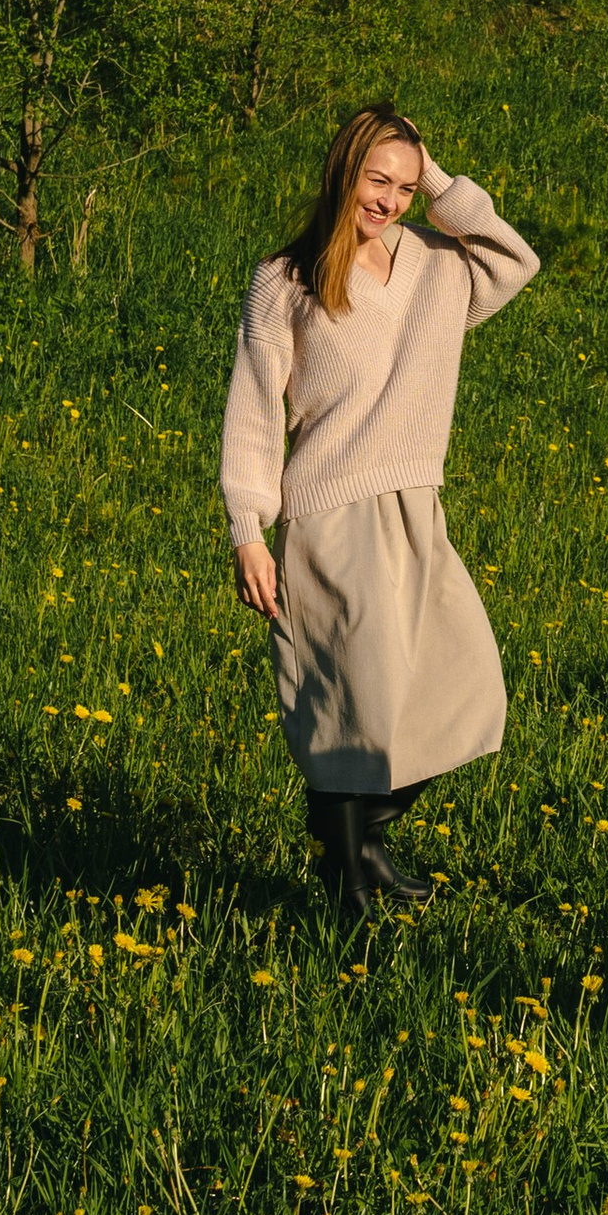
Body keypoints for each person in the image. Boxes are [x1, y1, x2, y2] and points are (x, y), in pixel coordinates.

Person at [220, 105, 539, 928]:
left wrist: (439, 182)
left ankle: (351, 838)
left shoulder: (439, 266)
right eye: (378, 179)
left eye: (405, 186)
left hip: (415, 503)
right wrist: (248, 532)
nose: (390, 200)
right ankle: (347, 885)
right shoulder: (284, 280)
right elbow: (255, 413)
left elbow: (517, 257)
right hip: (327, 516)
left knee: (467, 687)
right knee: (353, 703)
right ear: (343, 169)